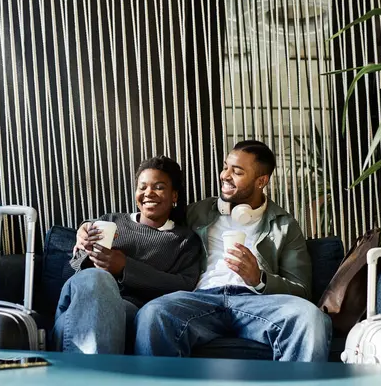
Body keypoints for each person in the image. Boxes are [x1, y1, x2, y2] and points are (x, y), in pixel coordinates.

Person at [134, 140, 332, 362]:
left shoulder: (284, 225)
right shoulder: (197, 212)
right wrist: (89, 229)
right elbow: (148, 222)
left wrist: (259, 279)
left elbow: (301, 290)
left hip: (257, 303)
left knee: (308, 316)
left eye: (236, 172)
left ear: (261, 181)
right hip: (200, 299)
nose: (224, 175)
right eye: (226, 166)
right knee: (153, 313)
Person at [52, 155, 202, 354]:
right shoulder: (110, 221)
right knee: (96, 279)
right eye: (142, 187)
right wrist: (85, 249)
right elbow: (72, 271)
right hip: (81, 298)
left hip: (128, 308)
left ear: (174, 195)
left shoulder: (184, 240)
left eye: (158, 187)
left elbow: (184, 285)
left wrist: (126, 268)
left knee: (76, 316)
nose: (148, 193)